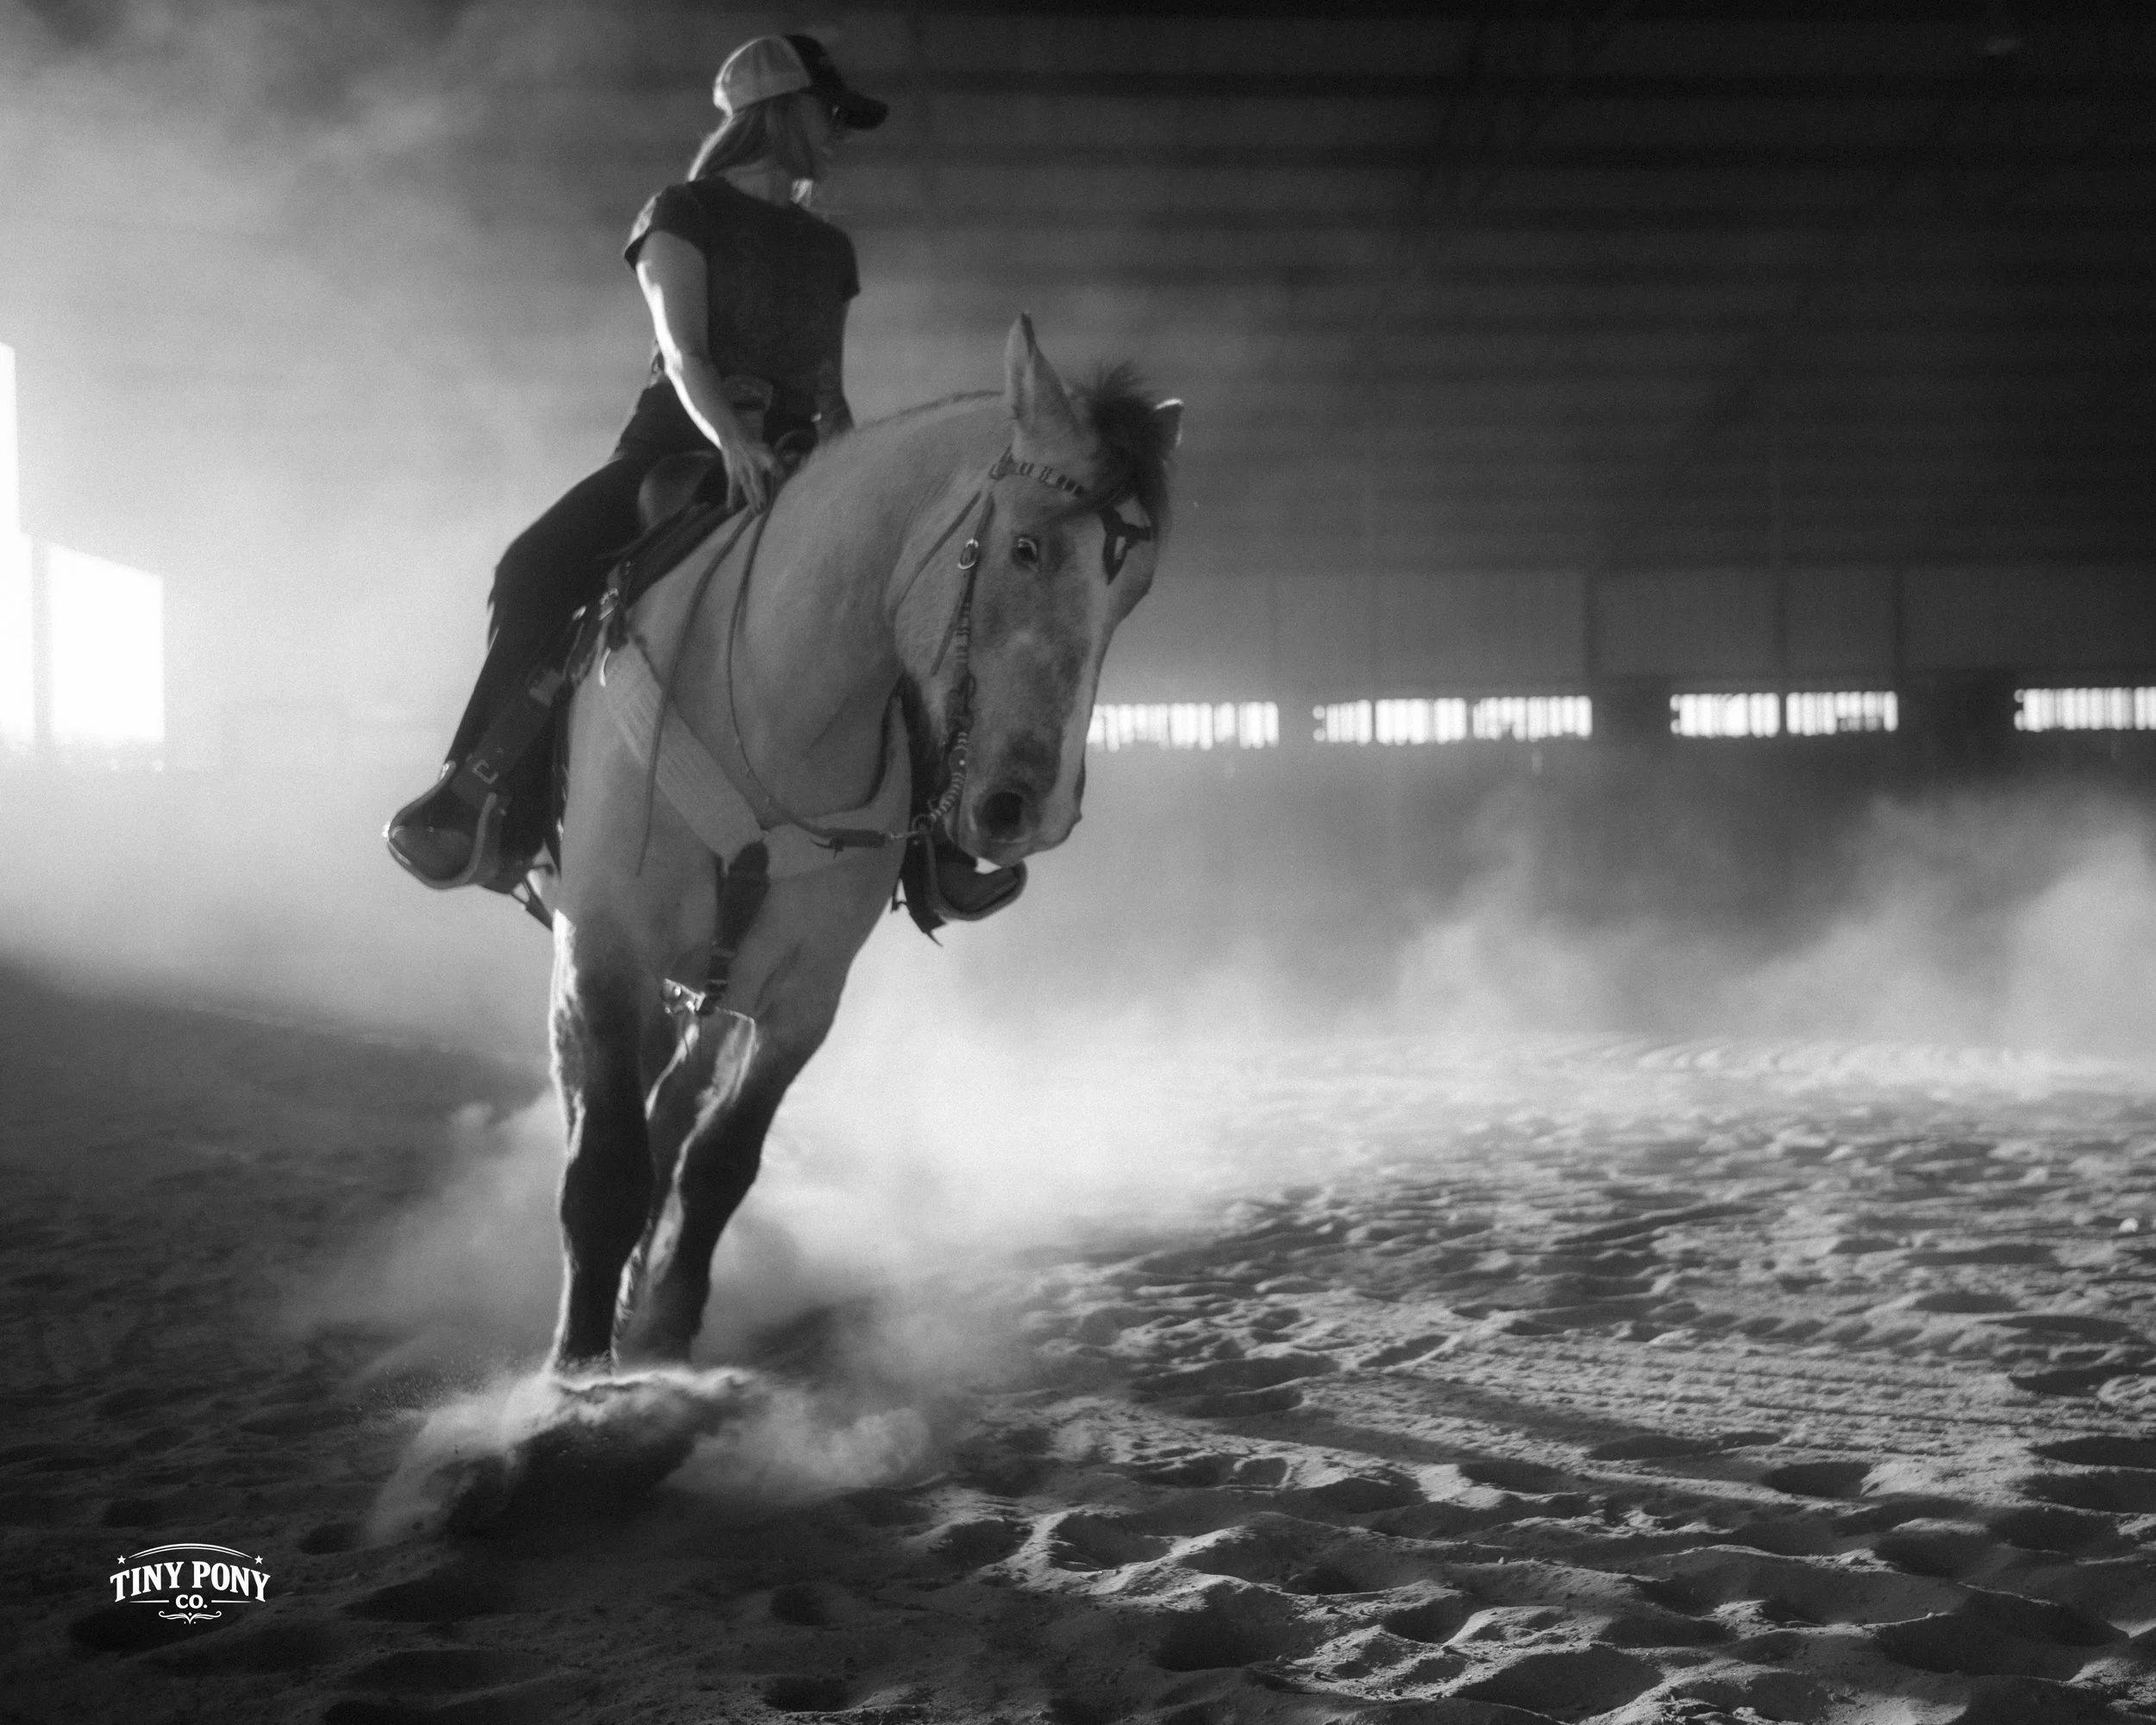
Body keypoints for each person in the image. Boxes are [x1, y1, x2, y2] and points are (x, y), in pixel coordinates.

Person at [385, 33, 887, 890]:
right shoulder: (682, 213)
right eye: (827, 112)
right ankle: (481, 795)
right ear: (777, 111)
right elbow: (684, 351)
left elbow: (829, 392)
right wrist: (734, 441)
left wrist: (854, 482)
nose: (837, 131)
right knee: (533, 570)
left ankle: (937, 840)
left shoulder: (828, 251)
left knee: (905, 589)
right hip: (677, 448)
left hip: (793, 461)